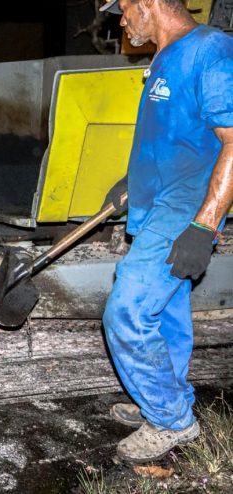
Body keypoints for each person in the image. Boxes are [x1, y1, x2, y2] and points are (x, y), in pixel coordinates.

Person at [100, 0, 233, 463]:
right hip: (155, 206)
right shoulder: (164, 56)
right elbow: (169, 135)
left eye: (124, 9)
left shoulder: (210, 50)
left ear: (149, 2)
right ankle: (166, 401)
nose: (122, 20)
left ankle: (172, 422)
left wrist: (204, 225)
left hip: (183, 209)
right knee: (166, 315)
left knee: (128, 311)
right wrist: (130, 181)